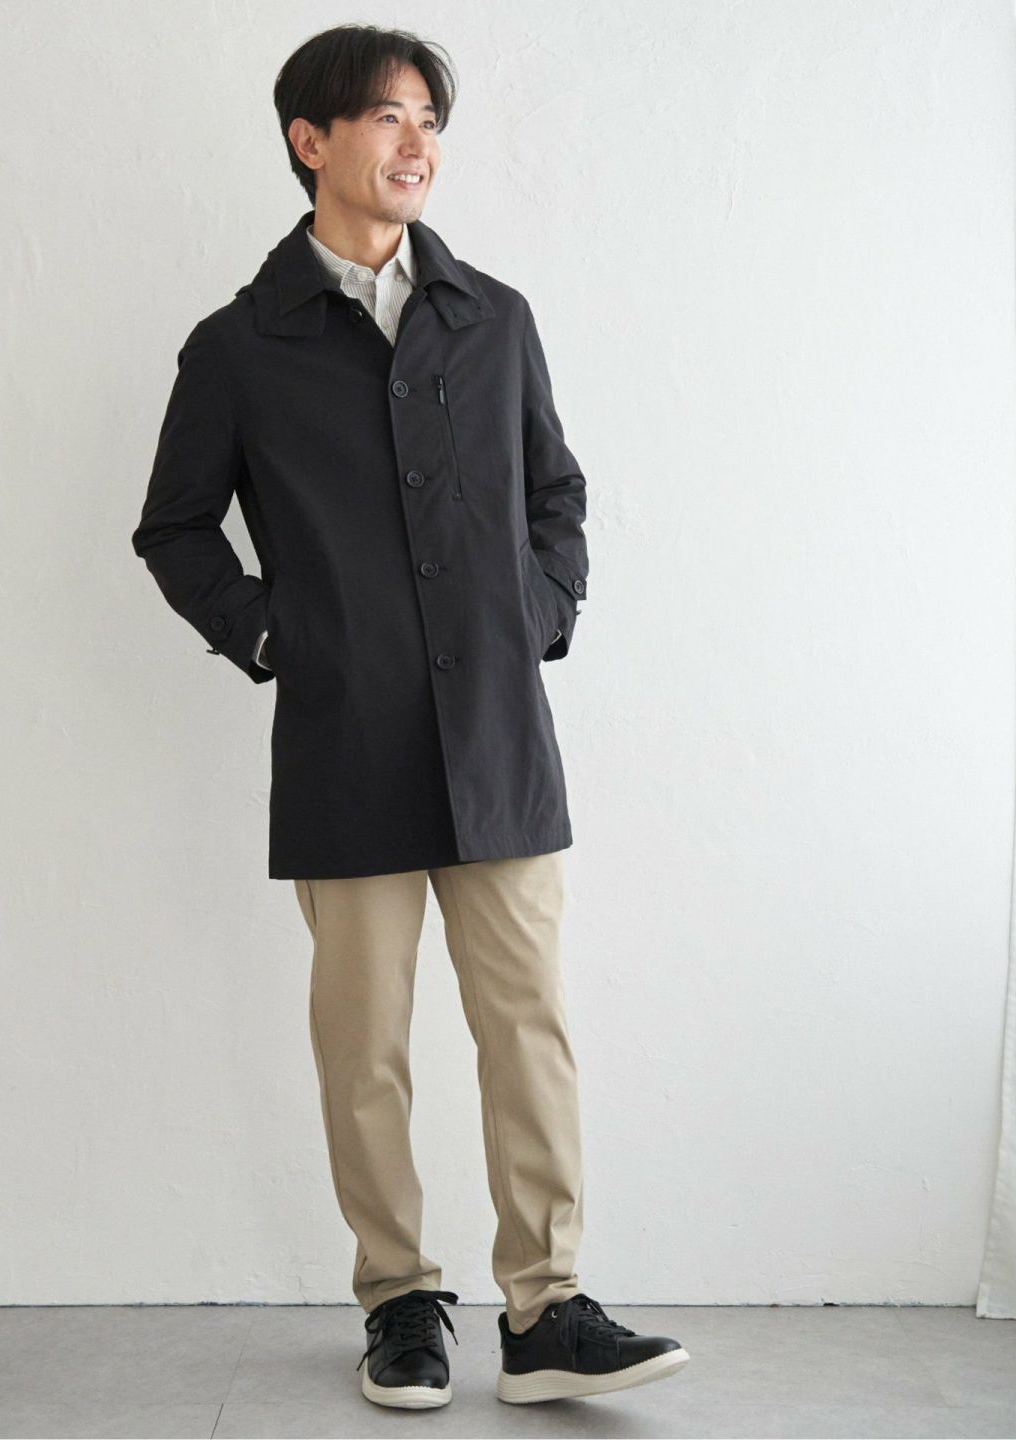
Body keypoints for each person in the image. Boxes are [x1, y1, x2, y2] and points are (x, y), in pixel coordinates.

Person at [131, 22, 690, 1410]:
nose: (416, 142)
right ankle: (398, 1298)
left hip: (495, 732)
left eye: (429, 119)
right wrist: (274, 636)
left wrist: (538, 611)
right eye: (387, 116)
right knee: (364, 1040)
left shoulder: (492, 319)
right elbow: (175, 529)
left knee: (528, 1024)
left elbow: (556, 492)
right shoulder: (240, 347)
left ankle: (546, 1308)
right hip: (347, 740)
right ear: (310, 141)